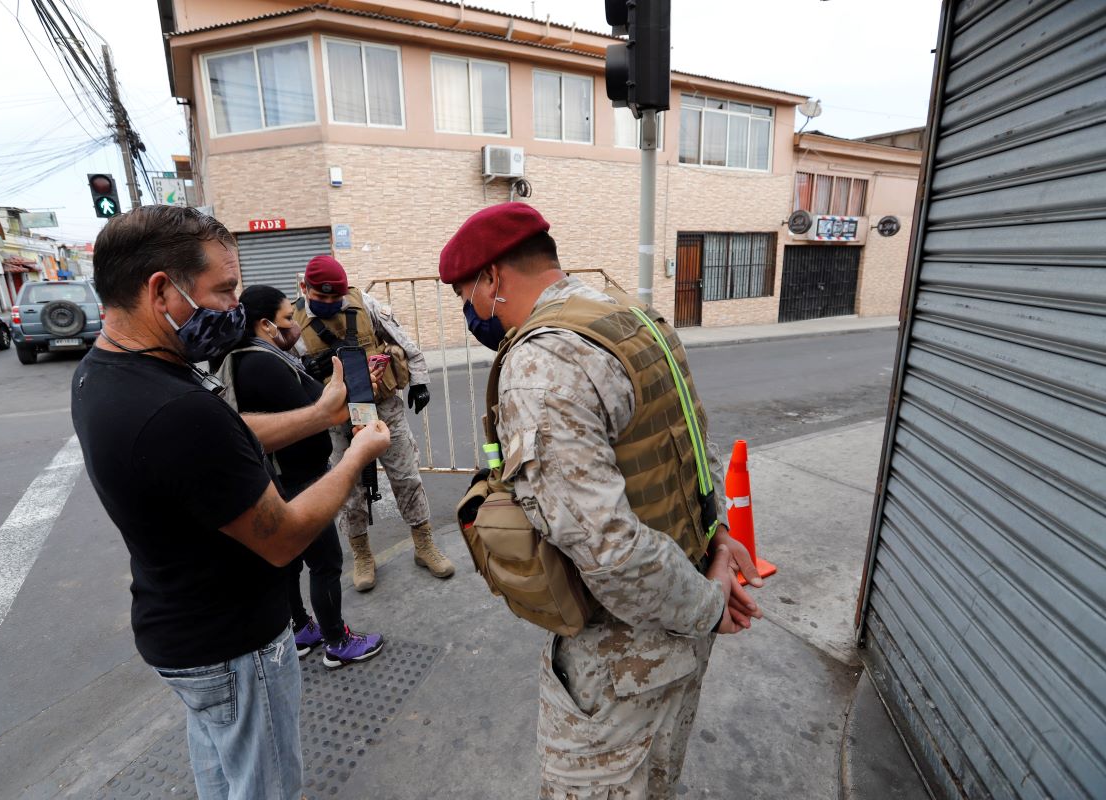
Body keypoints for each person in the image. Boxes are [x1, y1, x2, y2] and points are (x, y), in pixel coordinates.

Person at [440, 202, 764, 798]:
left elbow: (608, 550)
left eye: (467, 294)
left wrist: (709, 605)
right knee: (658, 779)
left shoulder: (543, 360)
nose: (471, 311)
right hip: (684, 608)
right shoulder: (635, 319)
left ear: (492, 277)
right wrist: (714, 546)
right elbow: (694, 450)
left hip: (622, 656)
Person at [70, 206, 390, 800]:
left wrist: (321, 413)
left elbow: (226, 434)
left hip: (181, 632)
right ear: (161, 290)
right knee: (265, 787)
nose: (235, 309)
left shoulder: (107, 371)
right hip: (232, 646)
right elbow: (285, 534)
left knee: (225, 776)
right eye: (223, 291)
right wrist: (355, 458)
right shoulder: (173, 411)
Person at [214, 283, 385, 669]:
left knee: (290, 562)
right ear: (265, 324)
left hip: (277, 476)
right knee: (325, 563)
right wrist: (350, 388)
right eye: (288, 318)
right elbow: (317, 410)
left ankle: (301, 628)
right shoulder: (262, 362)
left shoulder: (246, 357)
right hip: (300, 478)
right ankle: (337, 642)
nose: (294, 326)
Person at [292, 255, 455, 591]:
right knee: (349, 490)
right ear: (303, 288)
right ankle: (363, 555)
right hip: (337, 419)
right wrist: (312, 371)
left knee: (406, 475)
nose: (328, 305)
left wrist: (420, 381)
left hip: (382, 406)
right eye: (319, 299)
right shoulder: (292, 324)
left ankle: (424, 545)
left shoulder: (362, 303)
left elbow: (401, 339)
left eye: (333, 299)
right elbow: (289, 378)